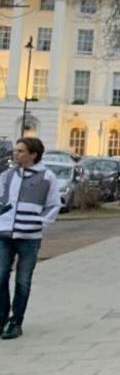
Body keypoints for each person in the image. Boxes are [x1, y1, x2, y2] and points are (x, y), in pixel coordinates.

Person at [0, 137, 62, 340]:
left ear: (33, 154)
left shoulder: (47, 177)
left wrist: (41, 222)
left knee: (23, 281)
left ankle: (16, 322)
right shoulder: (8, 175)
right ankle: (2, 317)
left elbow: (54, 204)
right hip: (4, 233)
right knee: (0, 276)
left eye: (20, 151)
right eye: (16, 150)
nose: (16, 154)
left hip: (30, 237)